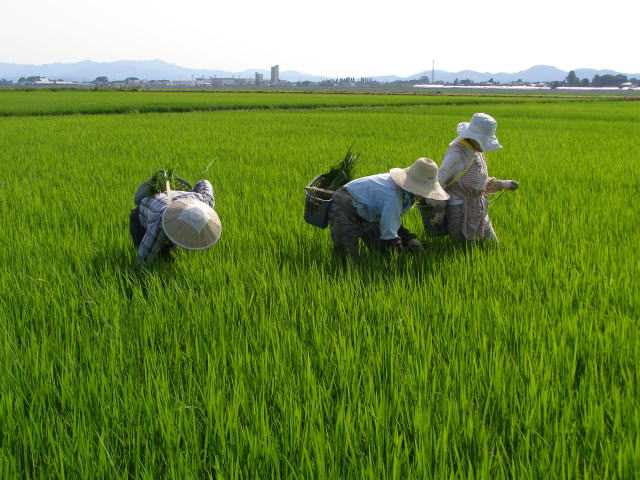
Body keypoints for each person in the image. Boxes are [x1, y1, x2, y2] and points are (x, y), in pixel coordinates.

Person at [328, 157, 449, 256]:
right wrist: (400, 257)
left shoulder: (403, 193)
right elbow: (389, 236)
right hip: (344, 204)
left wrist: (409, 239)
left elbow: (391, 220)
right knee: (347, 253)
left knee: (378, 249)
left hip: (368, 209)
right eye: (425, 191)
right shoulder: (394, 197)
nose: (426, 194)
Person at [435, 113, 518, 244]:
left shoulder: (476, 151)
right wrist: (439, 212)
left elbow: (479, 180)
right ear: (473, 138)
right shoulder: (456, 155)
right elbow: (439, 182)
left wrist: (502, 184)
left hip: (478, 207)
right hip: (459, 210)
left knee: (493, 245)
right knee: (464, 249)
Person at [129, 174, 221, 265]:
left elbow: (204, 183)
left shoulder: (205, 201)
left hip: (171, 200)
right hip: (141, 215)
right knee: (156, 253)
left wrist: (194, 190)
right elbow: (143, 259)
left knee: (172, 255)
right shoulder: (160, 224)